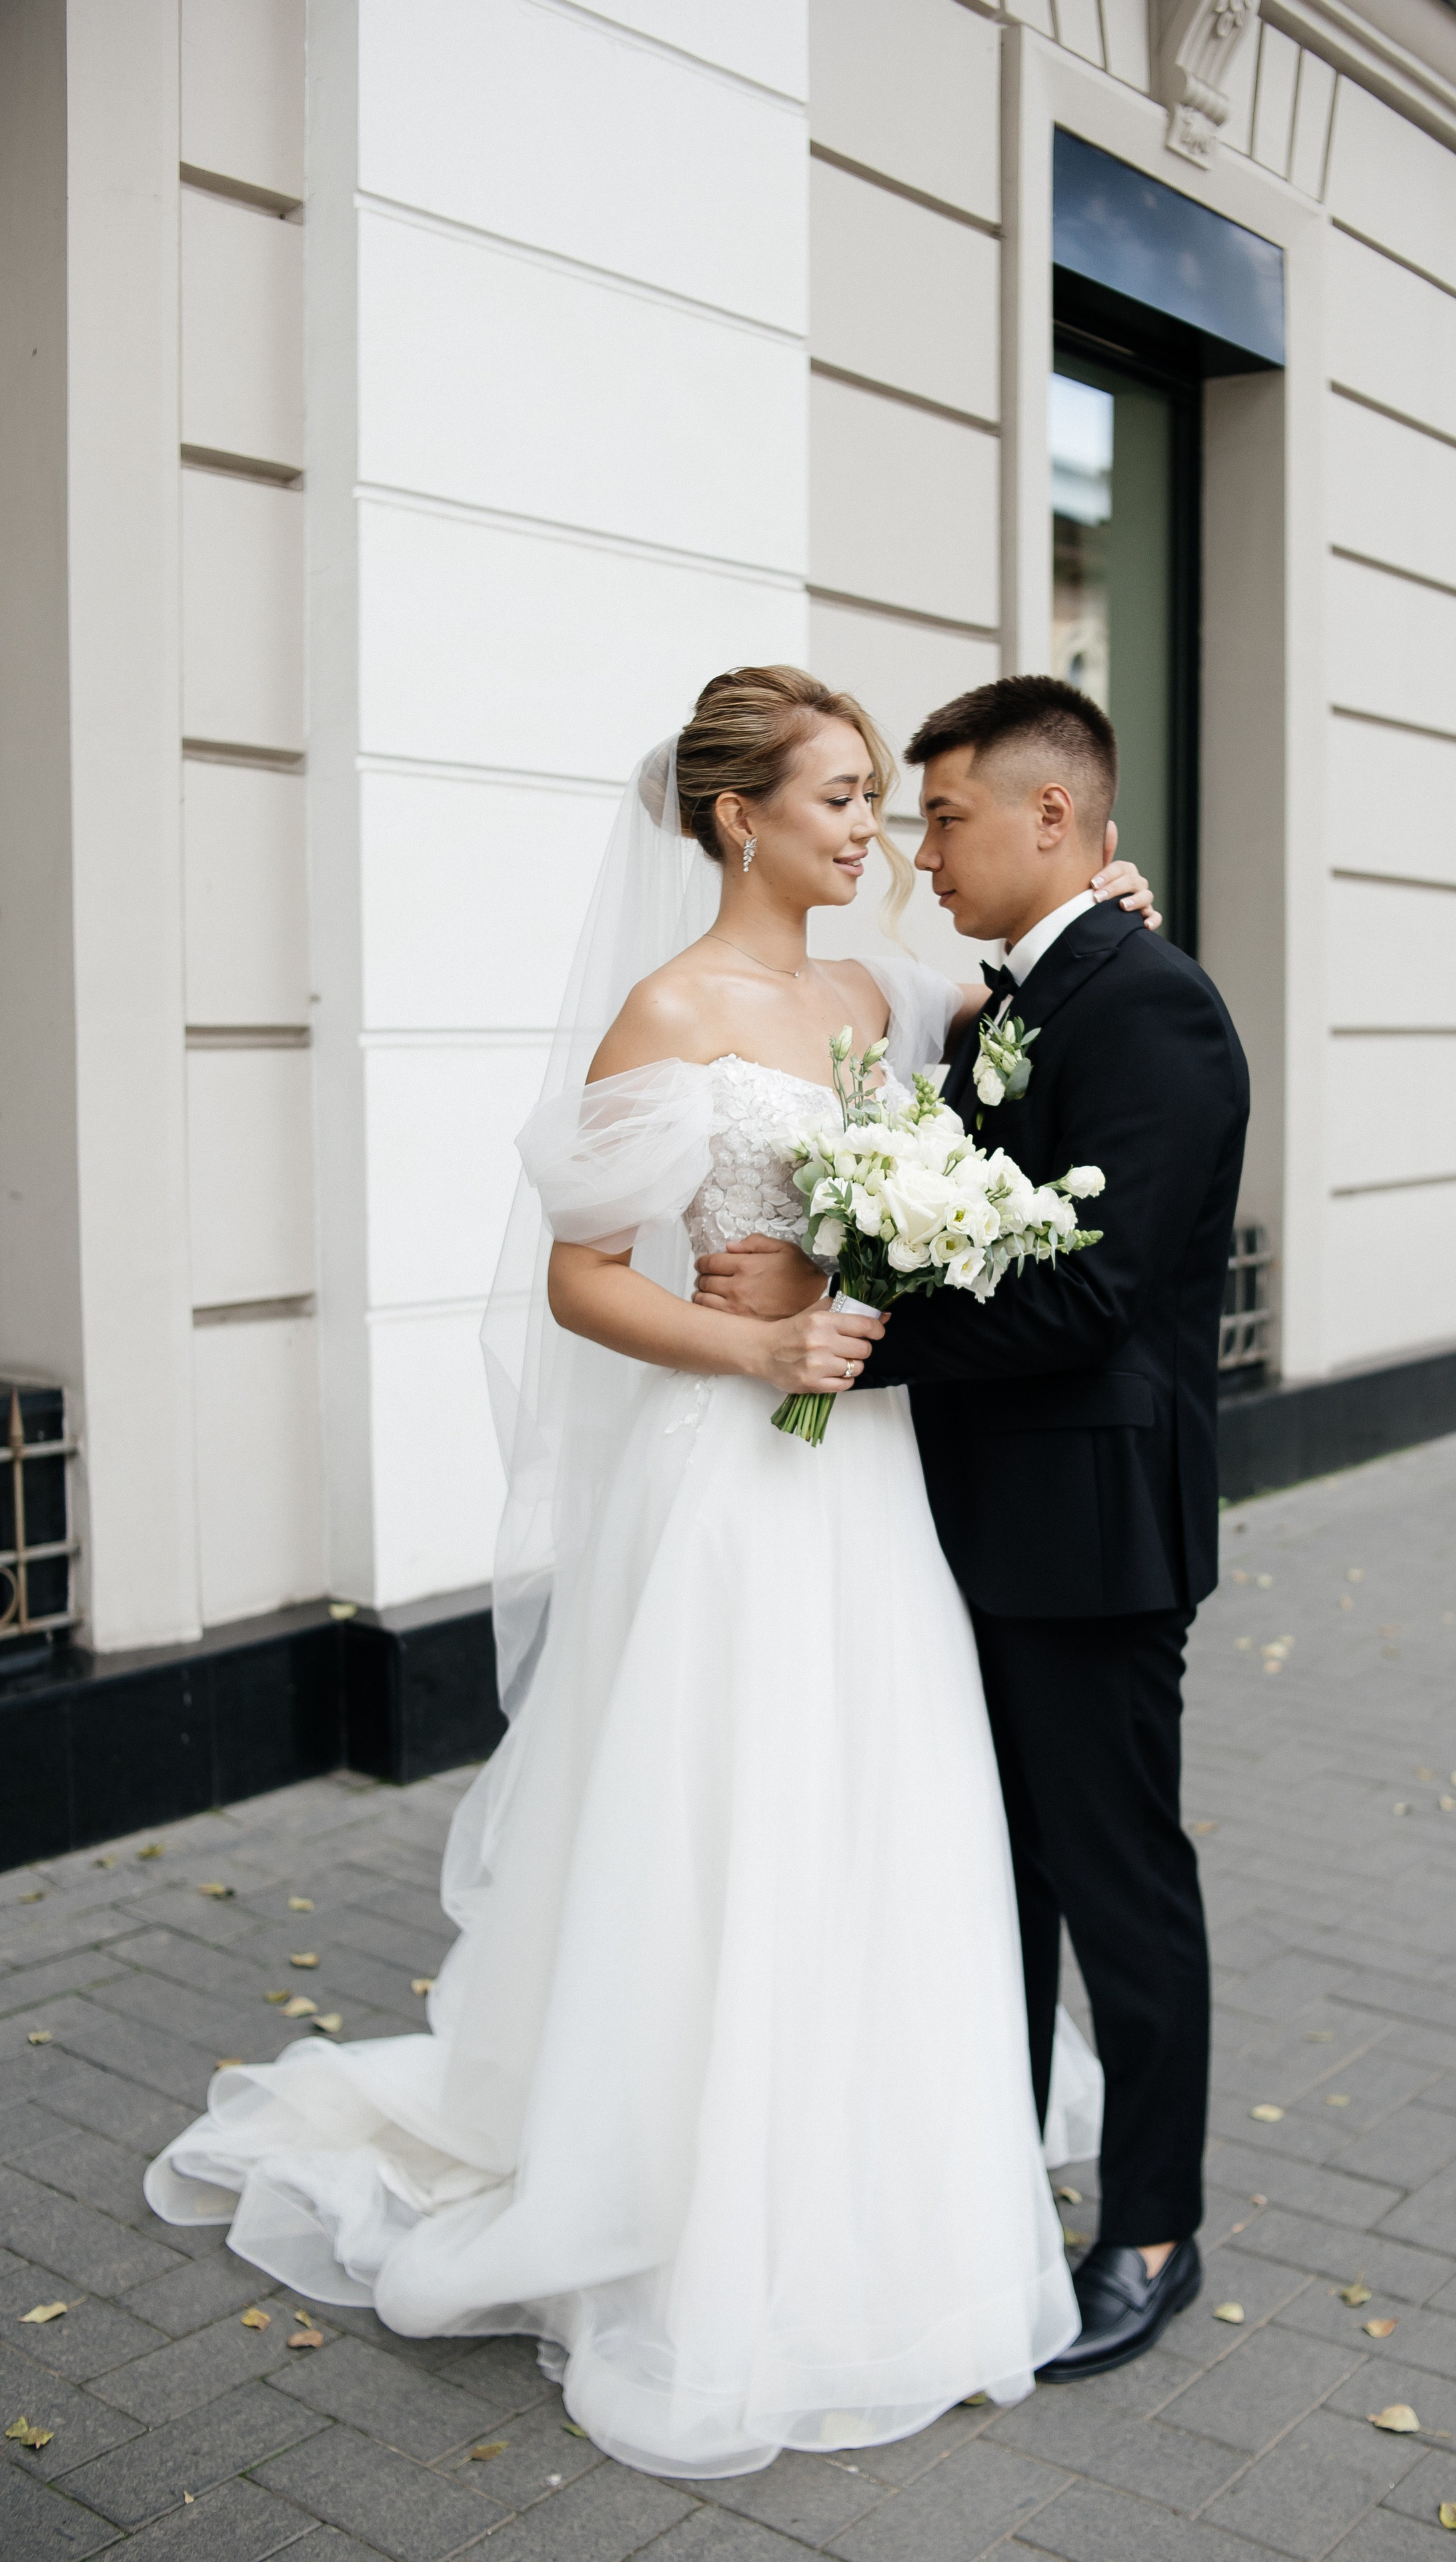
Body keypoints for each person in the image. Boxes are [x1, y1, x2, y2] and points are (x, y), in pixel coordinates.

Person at [143, 666, 1156, 2480]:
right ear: (733, 818)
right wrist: (751, 1355)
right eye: (842, 800)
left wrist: (1124, 908)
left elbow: (1039, 1003)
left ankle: (881, 2156)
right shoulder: (665, 1013)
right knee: (736, 1814)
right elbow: (582, 1279)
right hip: (744, 1472)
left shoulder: (892, 990)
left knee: (886, 1804)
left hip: (881, 1476)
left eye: (881, 798)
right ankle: (692, 2183)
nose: (873, 834)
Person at [696, 675, 1249, 2379]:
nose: (918, 852)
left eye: (940, 819)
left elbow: (1089, 1295)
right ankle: (991, 2190)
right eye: (905, 816)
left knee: (1112, 1880)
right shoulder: (1013, 998)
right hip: (976, 1522)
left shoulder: (1149, 1008)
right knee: (989, 1884)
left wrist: (848, 1337)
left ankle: (1151, 2226)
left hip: (1088, 1534)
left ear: (1052, 821)